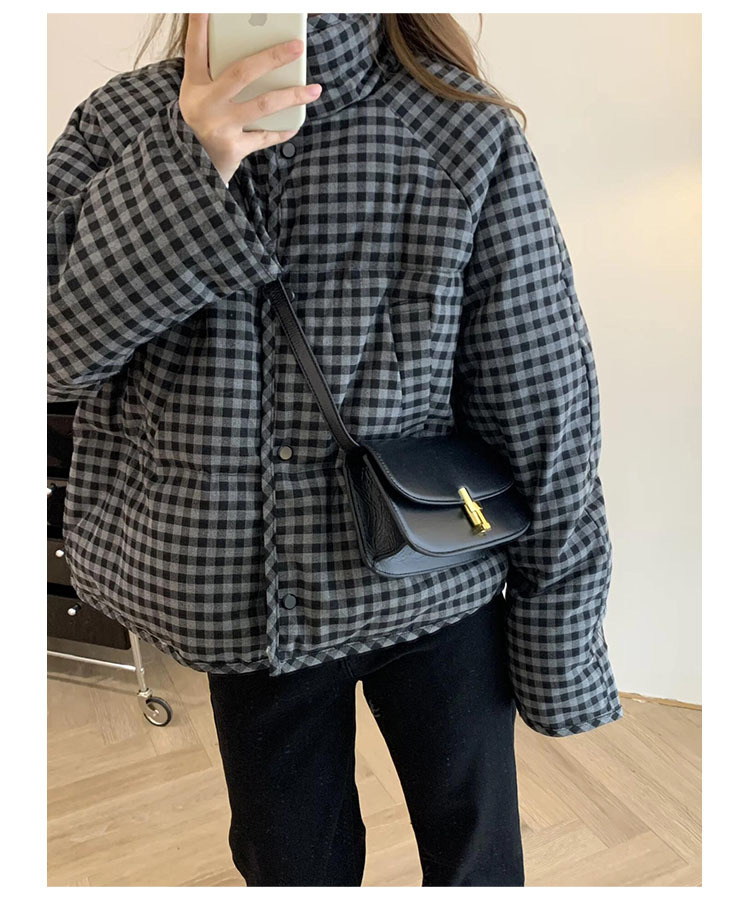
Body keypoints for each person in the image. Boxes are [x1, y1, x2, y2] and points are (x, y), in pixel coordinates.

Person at [47, 12, 624, 888]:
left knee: (476, 862)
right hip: (243, 611)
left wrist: (560, 632)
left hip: (435, 590)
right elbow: (44, 352)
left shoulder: (457, 128)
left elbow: (544, 402)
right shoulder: (120, 123)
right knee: (290, 868)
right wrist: (186, 159)